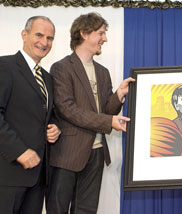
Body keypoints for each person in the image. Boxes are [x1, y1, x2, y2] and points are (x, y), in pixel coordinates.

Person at [46, 12, 134, 214]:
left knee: (86, 210)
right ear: (84, 33)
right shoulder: (61, 68)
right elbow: (67, 109)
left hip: (96, 153)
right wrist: (109, 121)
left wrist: (119, 94)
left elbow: (106, 111)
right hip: (67, 154)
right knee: (57, 210)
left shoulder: (102, 72)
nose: (105, 38)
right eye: (101, 33)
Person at [0, 16, 60, 213]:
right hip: (8, 174)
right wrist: (19, 151)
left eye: (50, 38)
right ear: (24, 35)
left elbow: (46, 114)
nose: (44, 42)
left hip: (38, 178)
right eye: (39, 35)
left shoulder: (48, 78)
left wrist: (54, 127)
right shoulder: (5, 67)